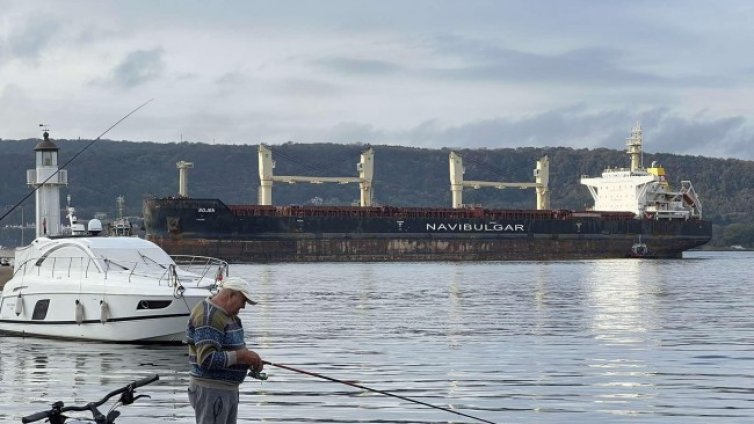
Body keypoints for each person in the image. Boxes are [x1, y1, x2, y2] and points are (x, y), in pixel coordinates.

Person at [187, 276, 264, 424]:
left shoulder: (229, 315)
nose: (243, 306)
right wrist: (242, 356)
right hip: (211, 390)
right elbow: (206, 359)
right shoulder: (208, 316)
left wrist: (250, 361)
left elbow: (233, 351)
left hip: (226, 390)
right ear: (231, 295)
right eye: (243, 301)